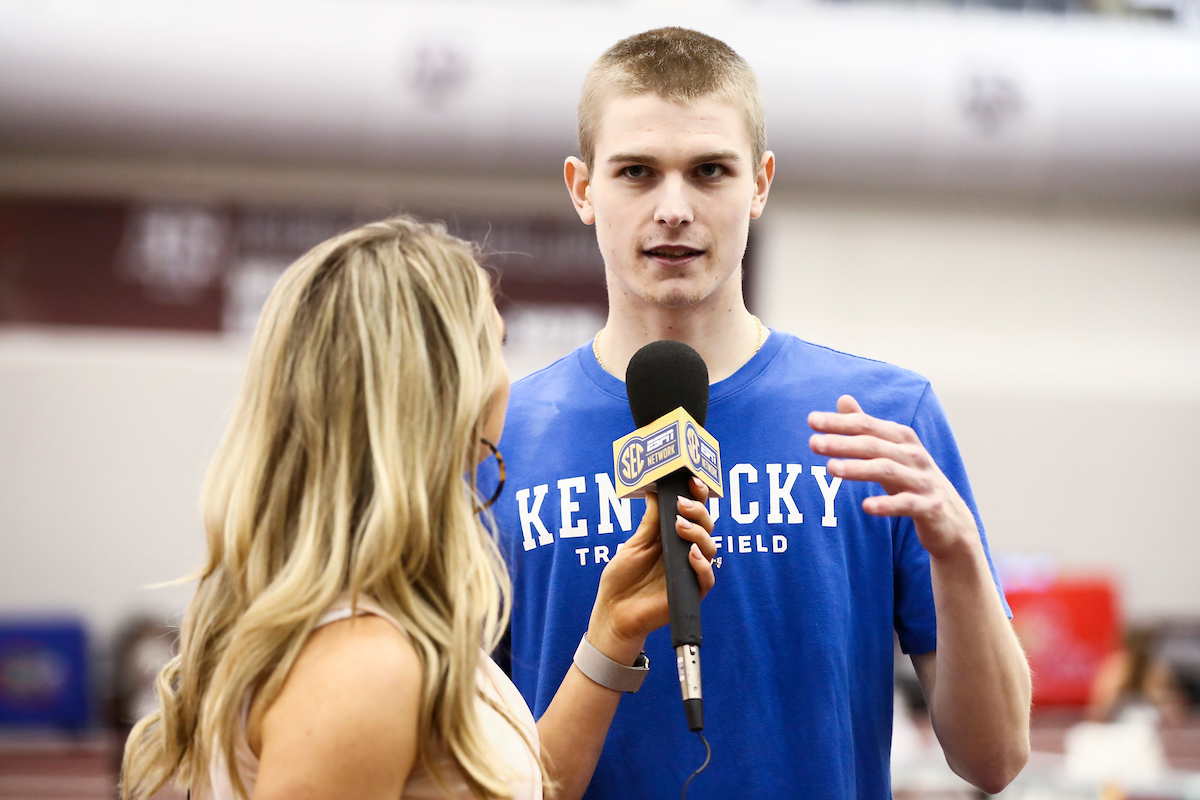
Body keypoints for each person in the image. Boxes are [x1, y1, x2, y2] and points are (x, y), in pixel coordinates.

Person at [486, 28, 1032, 799]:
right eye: (636, 172)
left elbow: (996, 758)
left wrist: (961, 557)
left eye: (709, 171)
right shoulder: (497, 436)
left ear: (761, 182)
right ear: (581, 188)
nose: (673, 208)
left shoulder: (883, 423)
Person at [118, 216, 716, 800]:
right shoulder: (361, 668)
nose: (507, 376)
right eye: (493, 344)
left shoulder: (381, 623)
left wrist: (610, 632)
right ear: (440, 389)